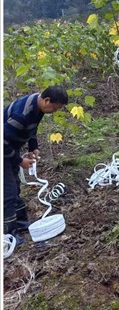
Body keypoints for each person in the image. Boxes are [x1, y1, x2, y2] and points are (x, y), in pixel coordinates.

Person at [3, 85, 69, 244]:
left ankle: (21, 224)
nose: (54, 111)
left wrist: (33, 147)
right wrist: (20, 161)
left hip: (9, 148)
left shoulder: (37, 105)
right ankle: (10, 234)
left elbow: (32, 129)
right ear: (47, 101)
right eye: (54, 108)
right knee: (8, 192)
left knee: (16, 186)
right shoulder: (22, 114)